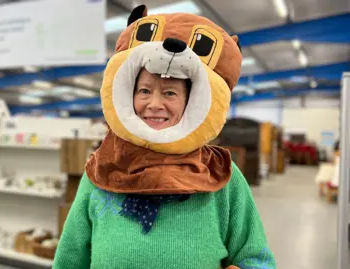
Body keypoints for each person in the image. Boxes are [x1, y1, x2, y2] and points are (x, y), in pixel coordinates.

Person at [53, 5, 276, 269]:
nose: (155, 104)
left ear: (190, 102)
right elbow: (69, 260)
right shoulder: (103, 171)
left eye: (170, 93)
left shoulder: (219, 176)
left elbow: (257, 260)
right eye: (145, 90)